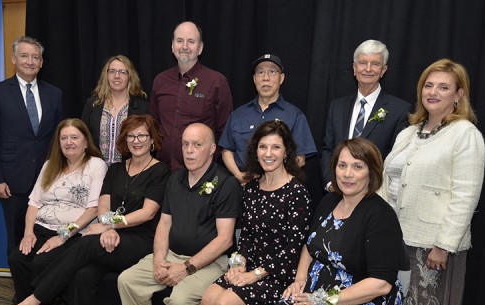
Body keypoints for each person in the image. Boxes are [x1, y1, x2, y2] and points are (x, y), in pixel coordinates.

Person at [0, 115, 170, 305]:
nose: (136, 141)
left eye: (142, 135)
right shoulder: (117, 168)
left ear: (152, 140)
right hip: (111, 236)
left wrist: (110, 225)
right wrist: (107, 226)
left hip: (139, 240)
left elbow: (147, 213)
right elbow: (104, 204)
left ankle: (33, 301)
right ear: (124, 140)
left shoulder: (160, 171)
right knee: (83, 275)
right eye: (131, 136)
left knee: (85, 242)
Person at [261, 138, 404, 305]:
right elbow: (310, 244)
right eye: (342, 165)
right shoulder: (329, 202)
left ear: (372, 173)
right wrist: (300, 279)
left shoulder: (380, 216)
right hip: (319, 290)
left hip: (366, 303)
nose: (347, 174)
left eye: (357, 167)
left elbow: (381, 284)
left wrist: (323, 300)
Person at [379, 59, 485, 305]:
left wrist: (444, 243)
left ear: (459, 95)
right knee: (403, 303)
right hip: (397, 234)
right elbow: (386, 179)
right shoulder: (410, 132)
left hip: (432, 241)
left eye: (443, 86)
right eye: (428, 85)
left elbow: (466, 195)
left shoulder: (465, 134)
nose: (434, 92)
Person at [118, 123, 242, 305]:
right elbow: (164, 223)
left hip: (209, 262)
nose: (189, 150)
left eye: (197, 145)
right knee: (127, 281)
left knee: (179, 300)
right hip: (172, 254)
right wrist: (159, 260)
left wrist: (186, 269)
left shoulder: (226, 184)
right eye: (185, 144)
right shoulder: (175, 178)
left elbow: (224, 239)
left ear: (212, 149)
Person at [199, 120, 312, 305]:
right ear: (255, 151)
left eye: (276, 147)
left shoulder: (297, 193)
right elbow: (245, 237)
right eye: (263, 146)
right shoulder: (250, 188)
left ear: (286, 152)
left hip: (278, 276)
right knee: (208, 299)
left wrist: (254, 275)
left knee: (225, 304)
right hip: (248, 269)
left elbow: (292, 250)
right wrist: (237, 263)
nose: (269, 153)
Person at [0, 118, 107, 305]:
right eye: (64, 138)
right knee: (17, 258)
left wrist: (63, 235)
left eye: (74, 137)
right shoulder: (50, 165)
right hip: (41, 228)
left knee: (40, 263)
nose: (69, 142)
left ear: (86, 141)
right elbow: (33, 203)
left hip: (74, 233)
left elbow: (93, 209)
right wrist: (28, 232)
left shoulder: (96, 165)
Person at [0, 36, 63, 256]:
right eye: (25, 56)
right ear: (13, 59)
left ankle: (42, 286)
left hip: (48, 178)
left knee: (45, 233)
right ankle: (20, 287)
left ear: (42, 62)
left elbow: (59, 138)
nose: (30, 61)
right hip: (12, 181)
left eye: (35, 57)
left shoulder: (54, 94)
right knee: (17, 236)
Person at [320, 39, 410, 192]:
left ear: (383, 70)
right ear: (354, 68)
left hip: (375, 194)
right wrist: (331, 183)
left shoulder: (400, 110)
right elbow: (328, 150)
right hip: (338, 193)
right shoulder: (337, 107)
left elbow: (396, 158)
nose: (368, 69)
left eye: (375, 64)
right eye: (363, 63)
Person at [219, 54, 317, 182]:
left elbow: (300, 159)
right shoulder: (238, 115)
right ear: (254, 79)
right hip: (241, 187)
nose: (266, 78)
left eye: (272, 72)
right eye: (260, 72)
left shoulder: (295, 115)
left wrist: (272, 180)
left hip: (278, 189)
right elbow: (227, 150)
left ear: (281, 78)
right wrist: (239, 175)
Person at [150, 21, 234, 171]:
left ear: (200, 48)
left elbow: (225, 130)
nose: (184, 47)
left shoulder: (216, 82)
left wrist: (209, 162)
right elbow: (153, 125)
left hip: (200, 173)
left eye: (191, 41)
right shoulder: (160, 81)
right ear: (172, 45)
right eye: (179, 41)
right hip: (162, 171)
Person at [81, 55, 149, 165]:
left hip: (129, 170)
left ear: (130, 76)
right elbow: (83, 137)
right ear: (106, 75)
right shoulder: (93, 104)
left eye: (122, 72)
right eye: (112, 71)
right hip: (96, 169)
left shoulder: (142, 107)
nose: (117, 76)